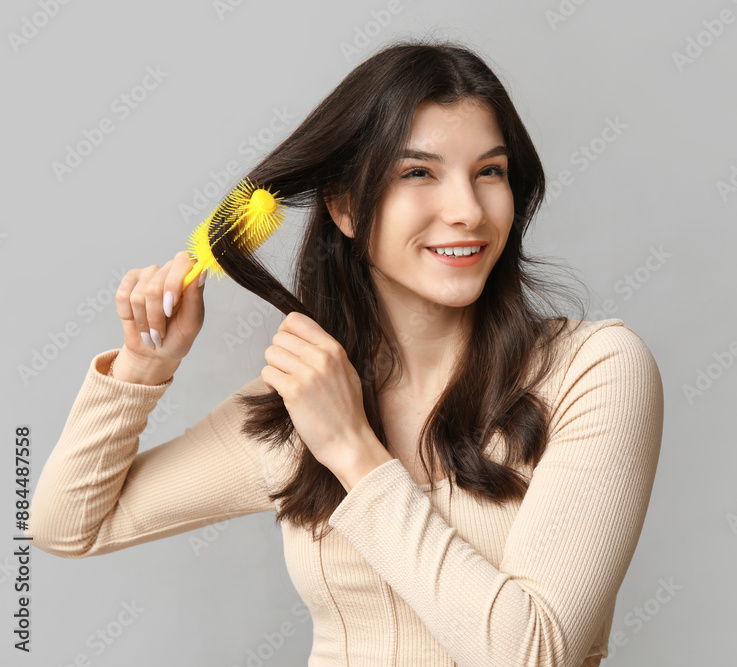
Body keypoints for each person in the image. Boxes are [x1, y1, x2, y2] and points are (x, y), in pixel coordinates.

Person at [26, 38, 664, 666]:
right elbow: (66, 526)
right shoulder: (304, 400)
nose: (468, 210)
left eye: (489, 172)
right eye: (419, 173)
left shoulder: (595, 370)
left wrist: (353, 452)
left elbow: (532, 654)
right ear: (346, 207)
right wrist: (144, 366)